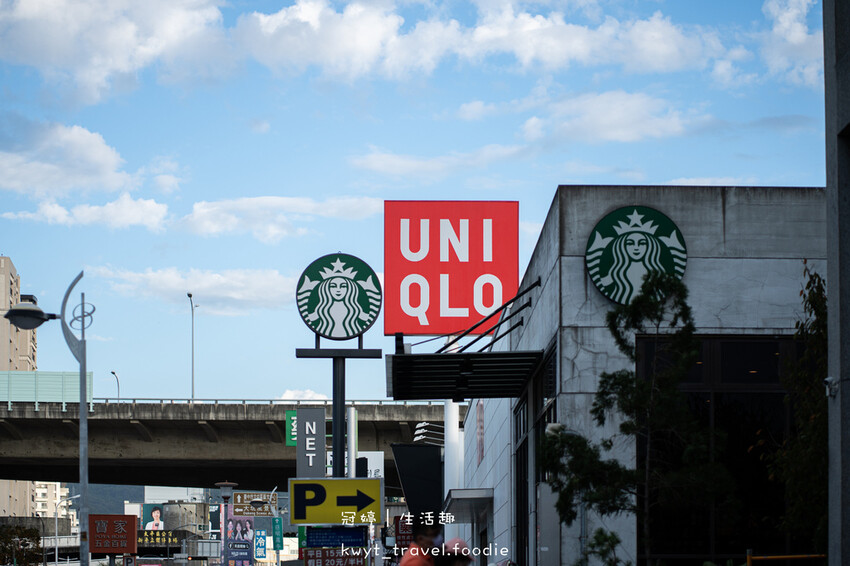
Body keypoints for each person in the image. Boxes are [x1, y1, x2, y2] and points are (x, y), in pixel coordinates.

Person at [598, 230, 666, 304]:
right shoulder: (616, 271)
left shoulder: (656, 272)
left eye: (642, 243)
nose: (636, 248)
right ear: (623, 247)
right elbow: (603, 282)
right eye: (630, 243)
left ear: (649, 246)